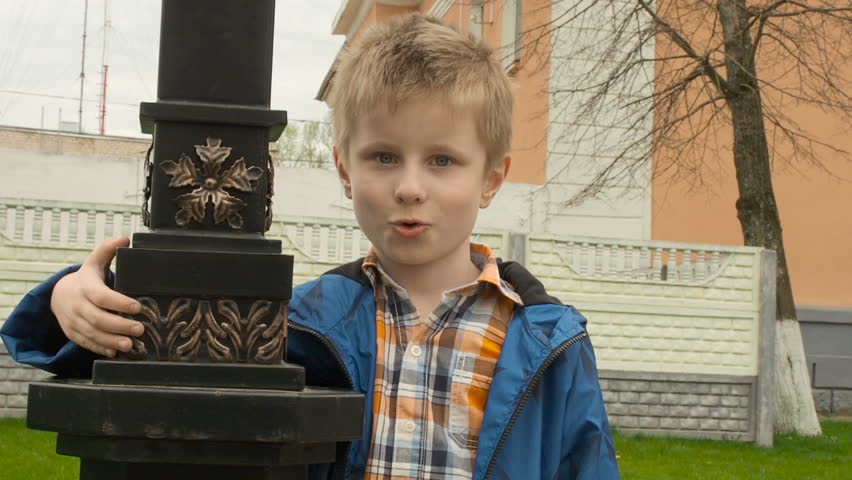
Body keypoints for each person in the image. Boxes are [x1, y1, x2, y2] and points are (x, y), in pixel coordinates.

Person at [1, 13, 619, 480]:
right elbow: (155, 359)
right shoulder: (299, 322)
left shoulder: (551, 342)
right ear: (344, 171)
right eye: (383, 157)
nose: (409, 187)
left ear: (491, 179)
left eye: (442, 160)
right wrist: (68, 299)